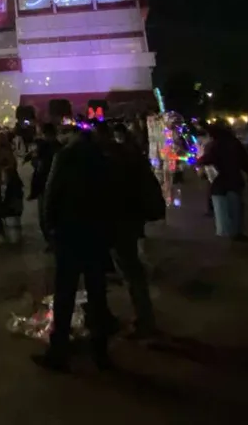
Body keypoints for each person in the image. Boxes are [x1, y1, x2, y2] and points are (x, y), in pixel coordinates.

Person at [34, 124, 112, 372]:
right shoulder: (102, 158)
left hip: (69, 233)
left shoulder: (65, 156)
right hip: (97, 233)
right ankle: (101, 351)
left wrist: (50, 231)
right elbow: (112, 195)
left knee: (65, 294)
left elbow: (51, 195)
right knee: (97, 292)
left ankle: (59, 352)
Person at [97, 122, 161, 339]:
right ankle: (144, 318)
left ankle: (144, 322)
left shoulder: (110, 161)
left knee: (129, 271)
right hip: (132, 220)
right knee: (131, 269)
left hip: (119, 222)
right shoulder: (129, 155)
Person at [198, 123, 248, 239]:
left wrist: (198, 162)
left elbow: (205, 160)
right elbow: (246, 162)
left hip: (218, 182)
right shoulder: (235, 144)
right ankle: (237, 232)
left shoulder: (213, 146)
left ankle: (224, 233)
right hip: (234, 180)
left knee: (221, 210)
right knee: (236, 209)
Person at [29, 122, 59, 248]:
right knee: (50, 216)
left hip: (48, 185)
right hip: (51, 185)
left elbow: (39, 165)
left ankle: (52, 242)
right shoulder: (58, 147)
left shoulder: (46, 147)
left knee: (46, 216)